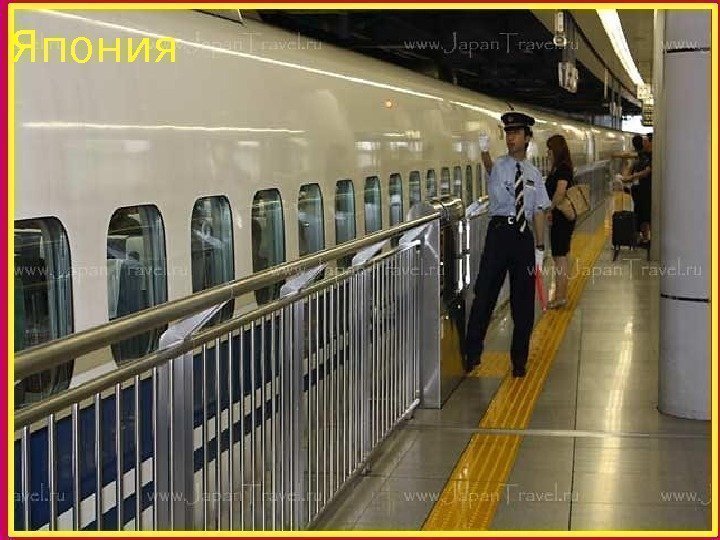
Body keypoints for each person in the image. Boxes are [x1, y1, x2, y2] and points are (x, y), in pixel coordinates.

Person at [465, 112, 550, 378]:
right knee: (485, 293)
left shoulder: (534, 174)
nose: (511, 138)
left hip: (523, 238)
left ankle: (519, 361)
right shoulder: (499, 166)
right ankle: (472, 352)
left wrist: (540, 248)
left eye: (516, 133)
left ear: (527, 138)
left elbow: (538, 211)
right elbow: (489, 166)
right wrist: (484, 151)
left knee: (523, 303)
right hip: (499, 233)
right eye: (508, 133)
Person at [545, 135, 575, 309]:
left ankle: (560, 297)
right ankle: (561, 295)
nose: (547, 152)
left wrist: (550, 208)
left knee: (560, 257)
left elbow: (560, 192)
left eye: (549, 149)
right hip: (560, 217)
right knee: (561, 256)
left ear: (556, 150)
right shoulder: (560, 168)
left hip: (562, 217)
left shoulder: (563, 169)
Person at [624, 134, 652, 244]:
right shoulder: (642, 155)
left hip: (646, 190)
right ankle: (645, 239)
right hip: (639, 190)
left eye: (646, 141)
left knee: (646, 215)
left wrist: (631, 177)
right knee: (641, 214)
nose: (643, 143)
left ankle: (648, 239)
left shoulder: (651, 156)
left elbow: (647, 172)